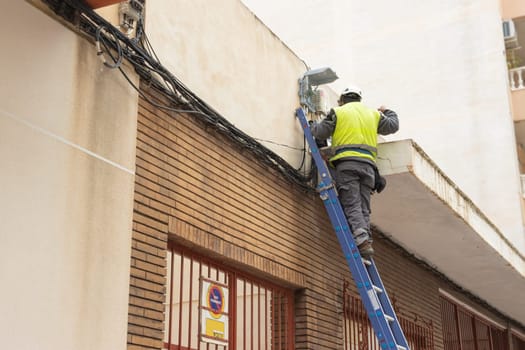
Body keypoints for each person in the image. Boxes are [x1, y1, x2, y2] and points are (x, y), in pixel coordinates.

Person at [310, 86, 399, 257]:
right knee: (364, 207)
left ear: (342, 99)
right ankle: (366, 240)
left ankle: (362, 240)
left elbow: (320, 132)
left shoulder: (338, 112)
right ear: (359, 99)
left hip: (347, 165)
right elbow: (393, 125)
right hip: (368, 168)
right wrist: (386, 110)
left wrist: (313, 126)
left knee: (352, 204)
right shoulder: (373, 114)